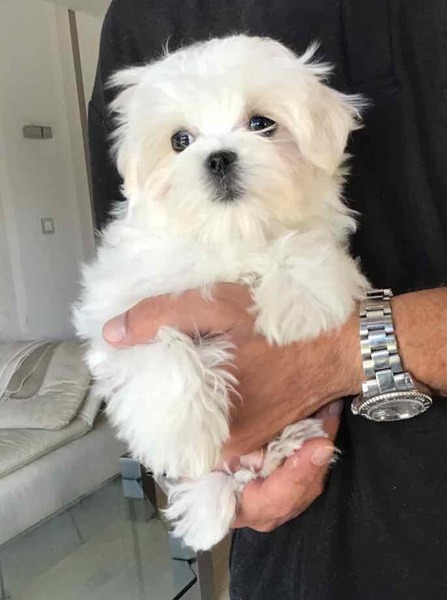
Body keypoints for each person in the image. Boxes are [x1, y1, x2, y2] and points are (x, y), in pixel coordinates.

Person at [89, 1, 447, 598]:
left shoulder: (311, 255)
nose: (219, 153)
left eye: (260, 123)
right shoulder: (139, 16)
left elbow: (315, 326)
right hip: (294, 559)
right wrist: (197, 457)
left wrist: (338, 352)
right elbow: (118, 338)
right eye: (182, 139)